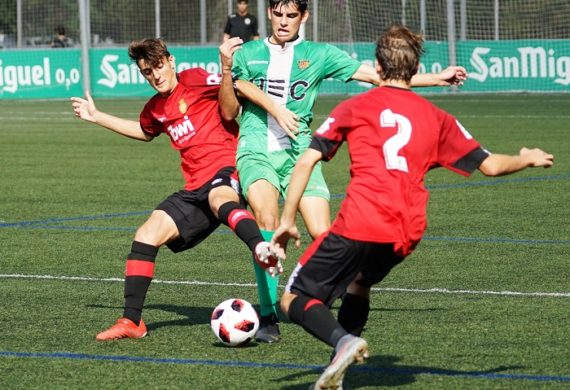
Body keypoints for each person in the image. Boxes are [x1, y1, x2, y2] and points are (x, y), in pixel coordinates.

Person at [270, 24, 554, 389]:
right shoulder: (437, 119)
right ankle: (336, 369)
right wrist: (525, 157)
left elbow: (307, 161)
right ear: (417, 70)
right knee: (359, 283)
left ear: (377, 65)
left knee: (293, 298)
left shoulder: (355, 106)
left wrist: (287, 218)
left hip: (360, 221)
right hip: (405, 233)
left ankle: (343, 341)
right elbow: (491, 166)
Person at [228, 0, 468, 343]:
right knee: (266, 220)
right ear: (269, 14)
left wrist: (437, 80)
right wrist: (277, 109)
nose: (283, 22)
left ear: (304, 17)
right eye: (277, 14)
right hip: (256, 149)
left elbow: (379, 77)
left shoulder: (320, 53)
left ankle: (332, 302)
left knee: (323, 232)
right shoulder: (249, 51)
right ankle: (268, 316)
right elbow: (241, 86)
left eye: (291, 15)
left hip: (299, 152)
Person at [70, 37, 282, 340]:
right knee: (146, 234)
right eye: (147, 72)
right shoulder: (155, 108)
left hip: (227, 168)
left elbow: (237, 91)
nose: (155, 76)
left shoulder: (195, 79)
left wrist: (273, 109)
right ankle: (132, 322)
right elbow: (144, 132)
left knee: (219, 197)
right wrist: (97, 117)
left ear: (171, 61)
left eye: (158, 66)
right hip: (193, 188)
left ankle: (262, 248)